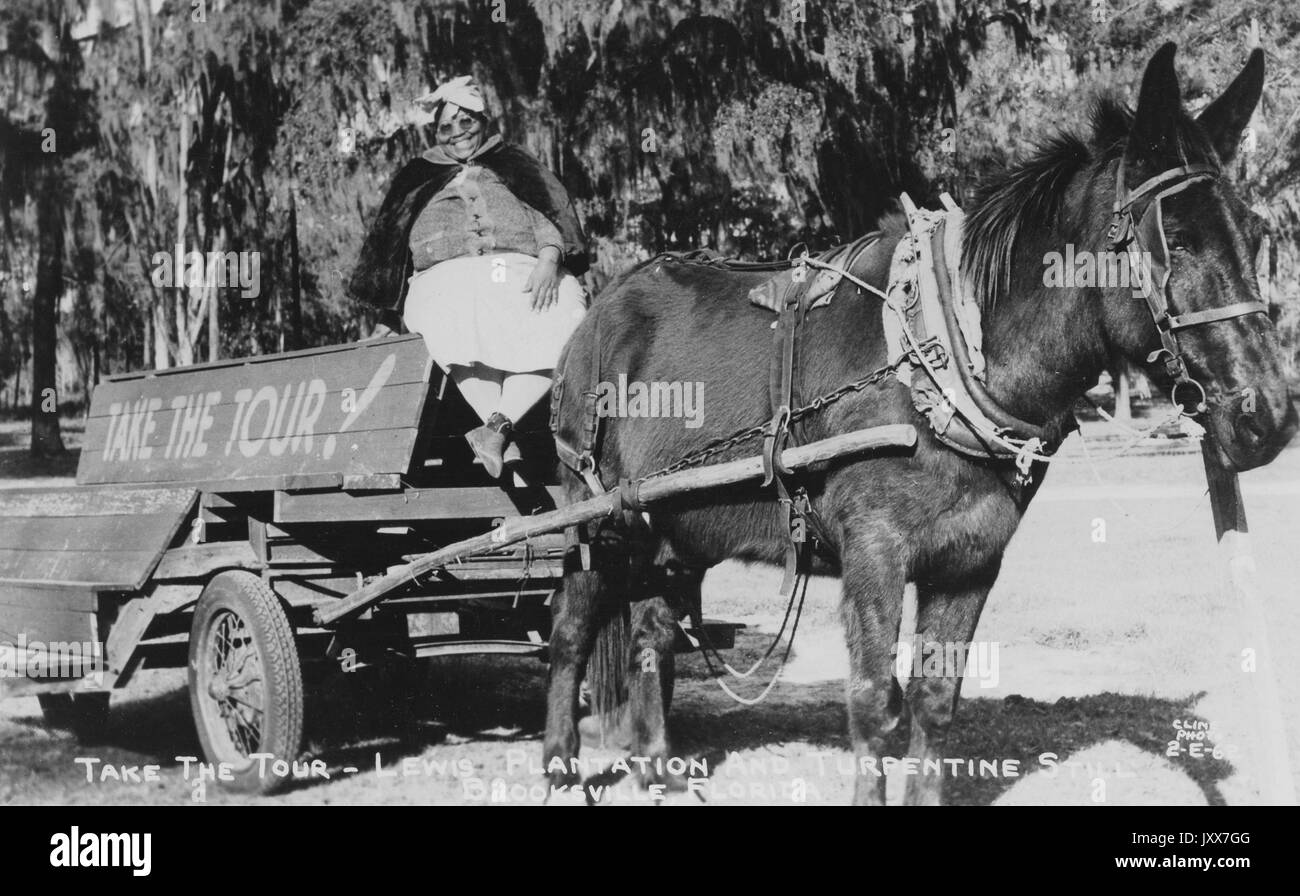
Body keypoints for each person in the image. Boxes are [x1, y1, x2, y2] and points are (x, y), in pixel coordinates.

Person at [349, 76, 589, 477]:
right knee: (450, 314)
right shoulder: (419, 173)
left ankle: (495, 430)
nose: (459, 132)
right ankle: (500, 433)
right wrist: (389, 313)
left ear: (483, 119)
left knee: (566, 310)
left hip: (520, 269)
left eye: (467, 121)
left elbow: (547, 212)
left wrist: (549, 258)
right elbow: (393, 243)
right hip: (445, 278)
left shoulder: (512, 161)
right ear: (435, 131)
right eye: (447, 125)